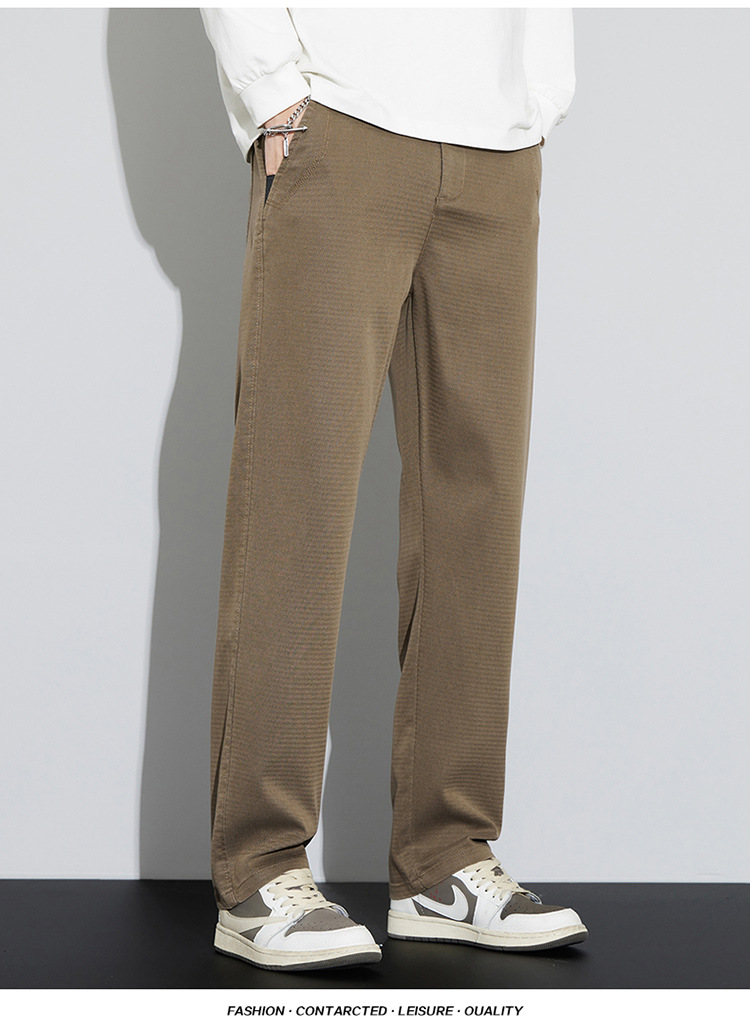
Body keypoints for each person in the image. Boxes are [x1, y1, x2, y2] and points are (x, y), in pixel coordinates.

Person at [200, 8, 586, 973]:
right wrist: (270, 91)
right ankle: (258, 868)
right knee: (297, 493)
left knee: (478, 506)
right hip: (340, 116)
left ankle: (444, 859)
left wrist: (540, 95)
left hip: (498, 142)